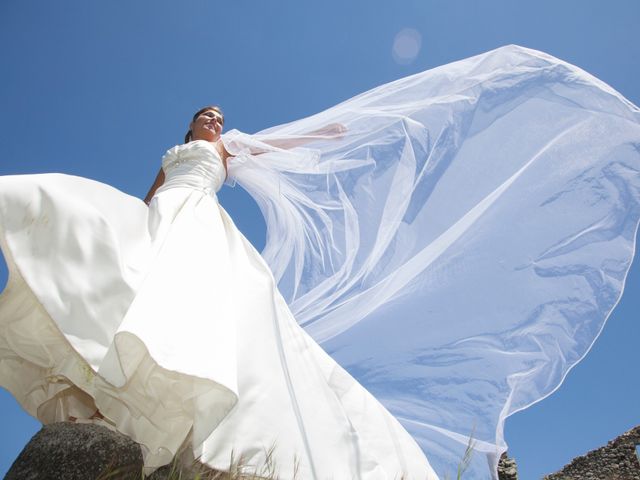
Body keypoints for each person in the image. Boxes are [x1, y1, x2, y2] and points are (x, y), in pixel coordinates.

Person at [1, 44, 639, 480]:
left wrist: (329, 135)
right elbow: (149, 196)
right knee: (106, 243)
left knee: (196, 311)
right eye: (207, 115)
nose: (214, 119)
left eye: (219, 117)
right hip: (165, 213)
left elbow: (292, 141)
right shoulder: (173, 151)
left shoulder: (233, 147)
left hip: (201, 220)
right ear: (191, 121)